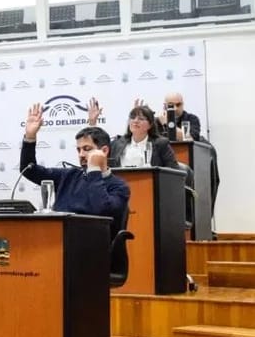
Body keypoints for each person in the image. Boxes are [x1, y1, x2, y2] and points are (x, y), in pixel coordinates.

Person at [21, 103, 130, 238]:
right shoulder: (68, 176)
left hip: (94, 248)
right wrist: (30, 137)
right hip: (58, 242)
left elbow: (101, 210)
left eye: (87, 149)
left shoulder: (119, 186)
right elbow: (29, 170)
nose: (81, 155)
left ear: (104, 151)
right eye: (79, 150)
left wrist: (94, 169)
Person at [87, 99, 179, 169]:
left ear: (150, 125)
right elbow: (97, 151)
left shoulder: (161, 144)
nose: (135, 121)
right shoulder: (117, 144)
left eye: (141, 119)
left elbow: (174, 171)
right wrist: (92, 124)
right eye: (133, 117)